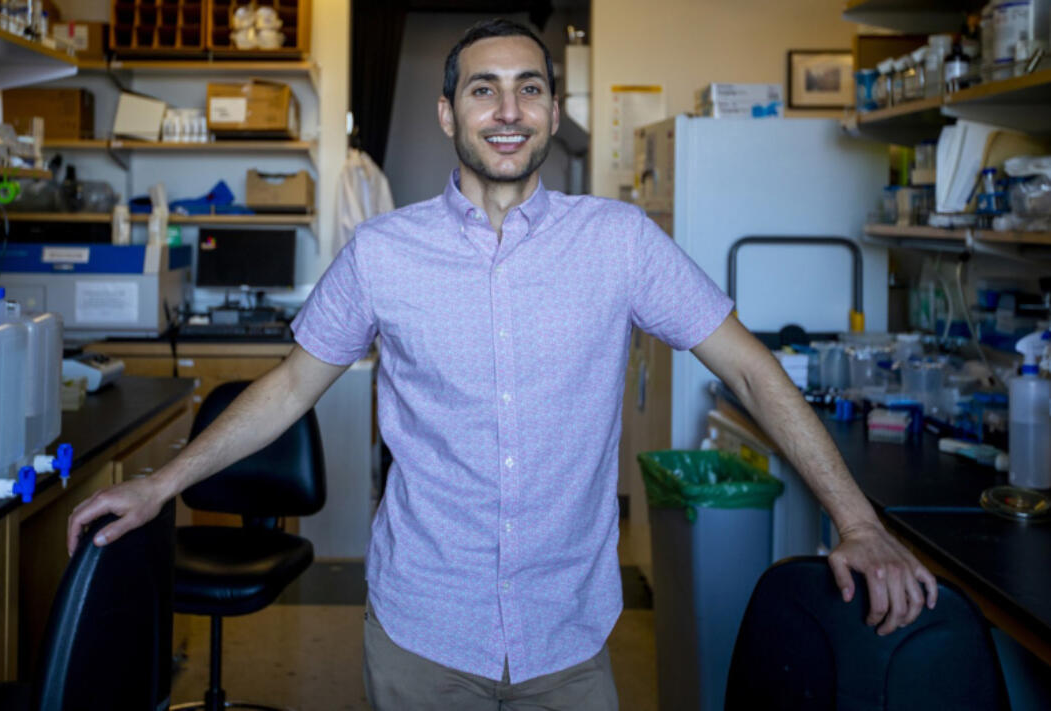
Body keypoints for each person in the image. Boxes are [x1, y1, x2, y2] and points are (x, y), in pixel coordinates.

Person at [68, 18, 938, 710]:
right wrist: (158, 484)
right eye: (484, 89)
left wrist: (857, 523)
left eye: (530, 88)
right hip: (421, 637)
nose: (509, 109)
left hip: (569, 641)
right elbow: (290, 386)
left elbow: (750, 368)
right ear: (449, 113)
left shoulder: (622, 243)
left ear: (554, 112)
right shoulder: (381, 253)